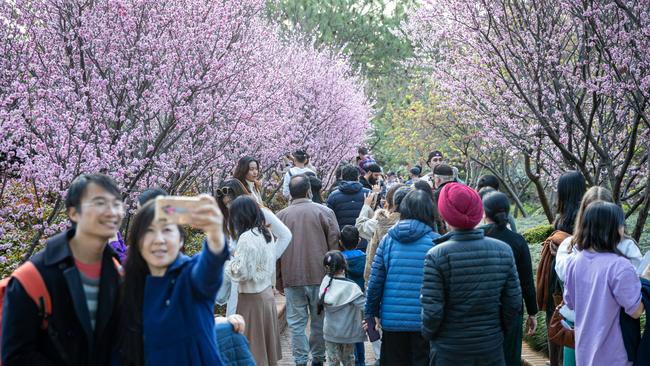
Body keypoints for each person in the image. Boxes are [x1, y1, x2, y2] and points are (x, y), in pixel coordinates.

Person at [2, 174, 124, 365]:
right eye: (100, 203)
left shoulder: (117, 273)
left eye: (117, 204)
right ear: (73, 212)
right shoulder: (32, 278)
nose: (112, 212)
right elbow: (16, 356)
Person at [115, 194, 228, 365]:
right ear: (137, 242)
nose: (159, 240)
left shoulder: (189, 276)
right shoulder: (127, 287)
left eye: (167, 230)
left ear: (180, 239)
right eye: (149, 231)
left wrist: (215, 234)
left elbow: (209, 267)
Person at [421, 183, 522, 365]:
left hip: (449, 350)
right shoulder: (503, 250)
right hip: (490, 348)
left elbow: (432, 311)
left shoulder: (436, 255)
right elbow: (513, 303)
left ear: (444, 214)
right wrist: (497, 332)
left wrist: (431, 336)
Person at [553, 186, 642, 366]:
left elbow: (570, 301)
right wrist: (645, 280)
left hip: (584, 346)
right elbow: (635, 309)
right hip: (614, 352)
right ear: (614, 227)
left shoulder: (574, 260)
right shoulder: (621, 264)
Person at [365, 190, 440, 366]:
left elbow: (376, 280)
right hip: (425, 321)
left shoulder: (388, 240)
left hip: (392, 322)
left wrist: (372, 313)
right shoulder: (436, 242)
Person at [277, 175, 341, 366]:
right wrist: (334, 274)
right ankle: (319, 359)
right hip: (320, 276)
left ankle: (300, 360)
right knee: (318, 321)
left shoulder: (280, 216)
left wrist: (279, 279)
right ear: (309, 191)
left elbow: (276, 251)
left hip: (291, 276)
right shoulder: (325, 212)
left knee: (296, 324)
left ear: (290, 193)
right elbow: (334, 244)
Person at [226, 196, 289, 366]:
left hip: (251, 299)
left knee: (252, 350)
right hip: (266, 296)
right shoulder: (265, 232)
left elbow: (242, 273)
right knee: (264, 350)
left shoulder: (246, 237)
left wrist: (228, 262)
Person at [214, 179, 292, 315]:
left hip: (256, 282)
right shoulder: (229, 218)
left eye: (232, 202)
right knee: (236, 317)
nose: (230, 207)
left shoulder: (261, 213)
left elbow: (285, 235)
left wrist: (267, 259)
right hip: (239, 277)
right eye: (226, 204)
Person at [481, 191, 537, 366]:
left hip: (483, 307)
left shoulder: (479, 238)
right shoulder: (518, 241)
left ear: (484, 213)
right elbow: (527, 280)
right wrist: (532, 313)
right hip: (513, 307)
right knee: (510, 356)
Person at [536, 170, 585, 366]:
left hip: (560, 274)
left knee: (556, 316)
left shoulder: (567, 217)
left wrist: (561, 250)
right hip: (568, 272)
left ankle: (555, 361)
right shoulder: (585, 214)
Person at [318, 251, 366, 366]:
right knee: (348, 361)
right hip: (347, 334)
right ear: (344, 266)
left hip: (330, 333)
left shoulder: (325, 284)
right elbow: (365, 305)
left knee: (332, 362)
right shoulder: (352, 288)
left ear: (326, 267)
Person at [339, 225, 366, 366]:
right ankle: (360, 361)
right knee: (359, 333)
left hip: (344, 302)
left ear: (340, 242)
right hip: (360, 300)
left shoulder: (339, 260)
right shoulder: (365, 258)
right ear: (359, 240)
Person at [327, 164, 371, 250]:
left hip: (342, 241)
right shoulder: (368, 194)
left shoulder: (333, 196)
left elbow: (330, 220)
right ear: (357, 177)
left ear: (342, 177)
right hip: (363, 240)